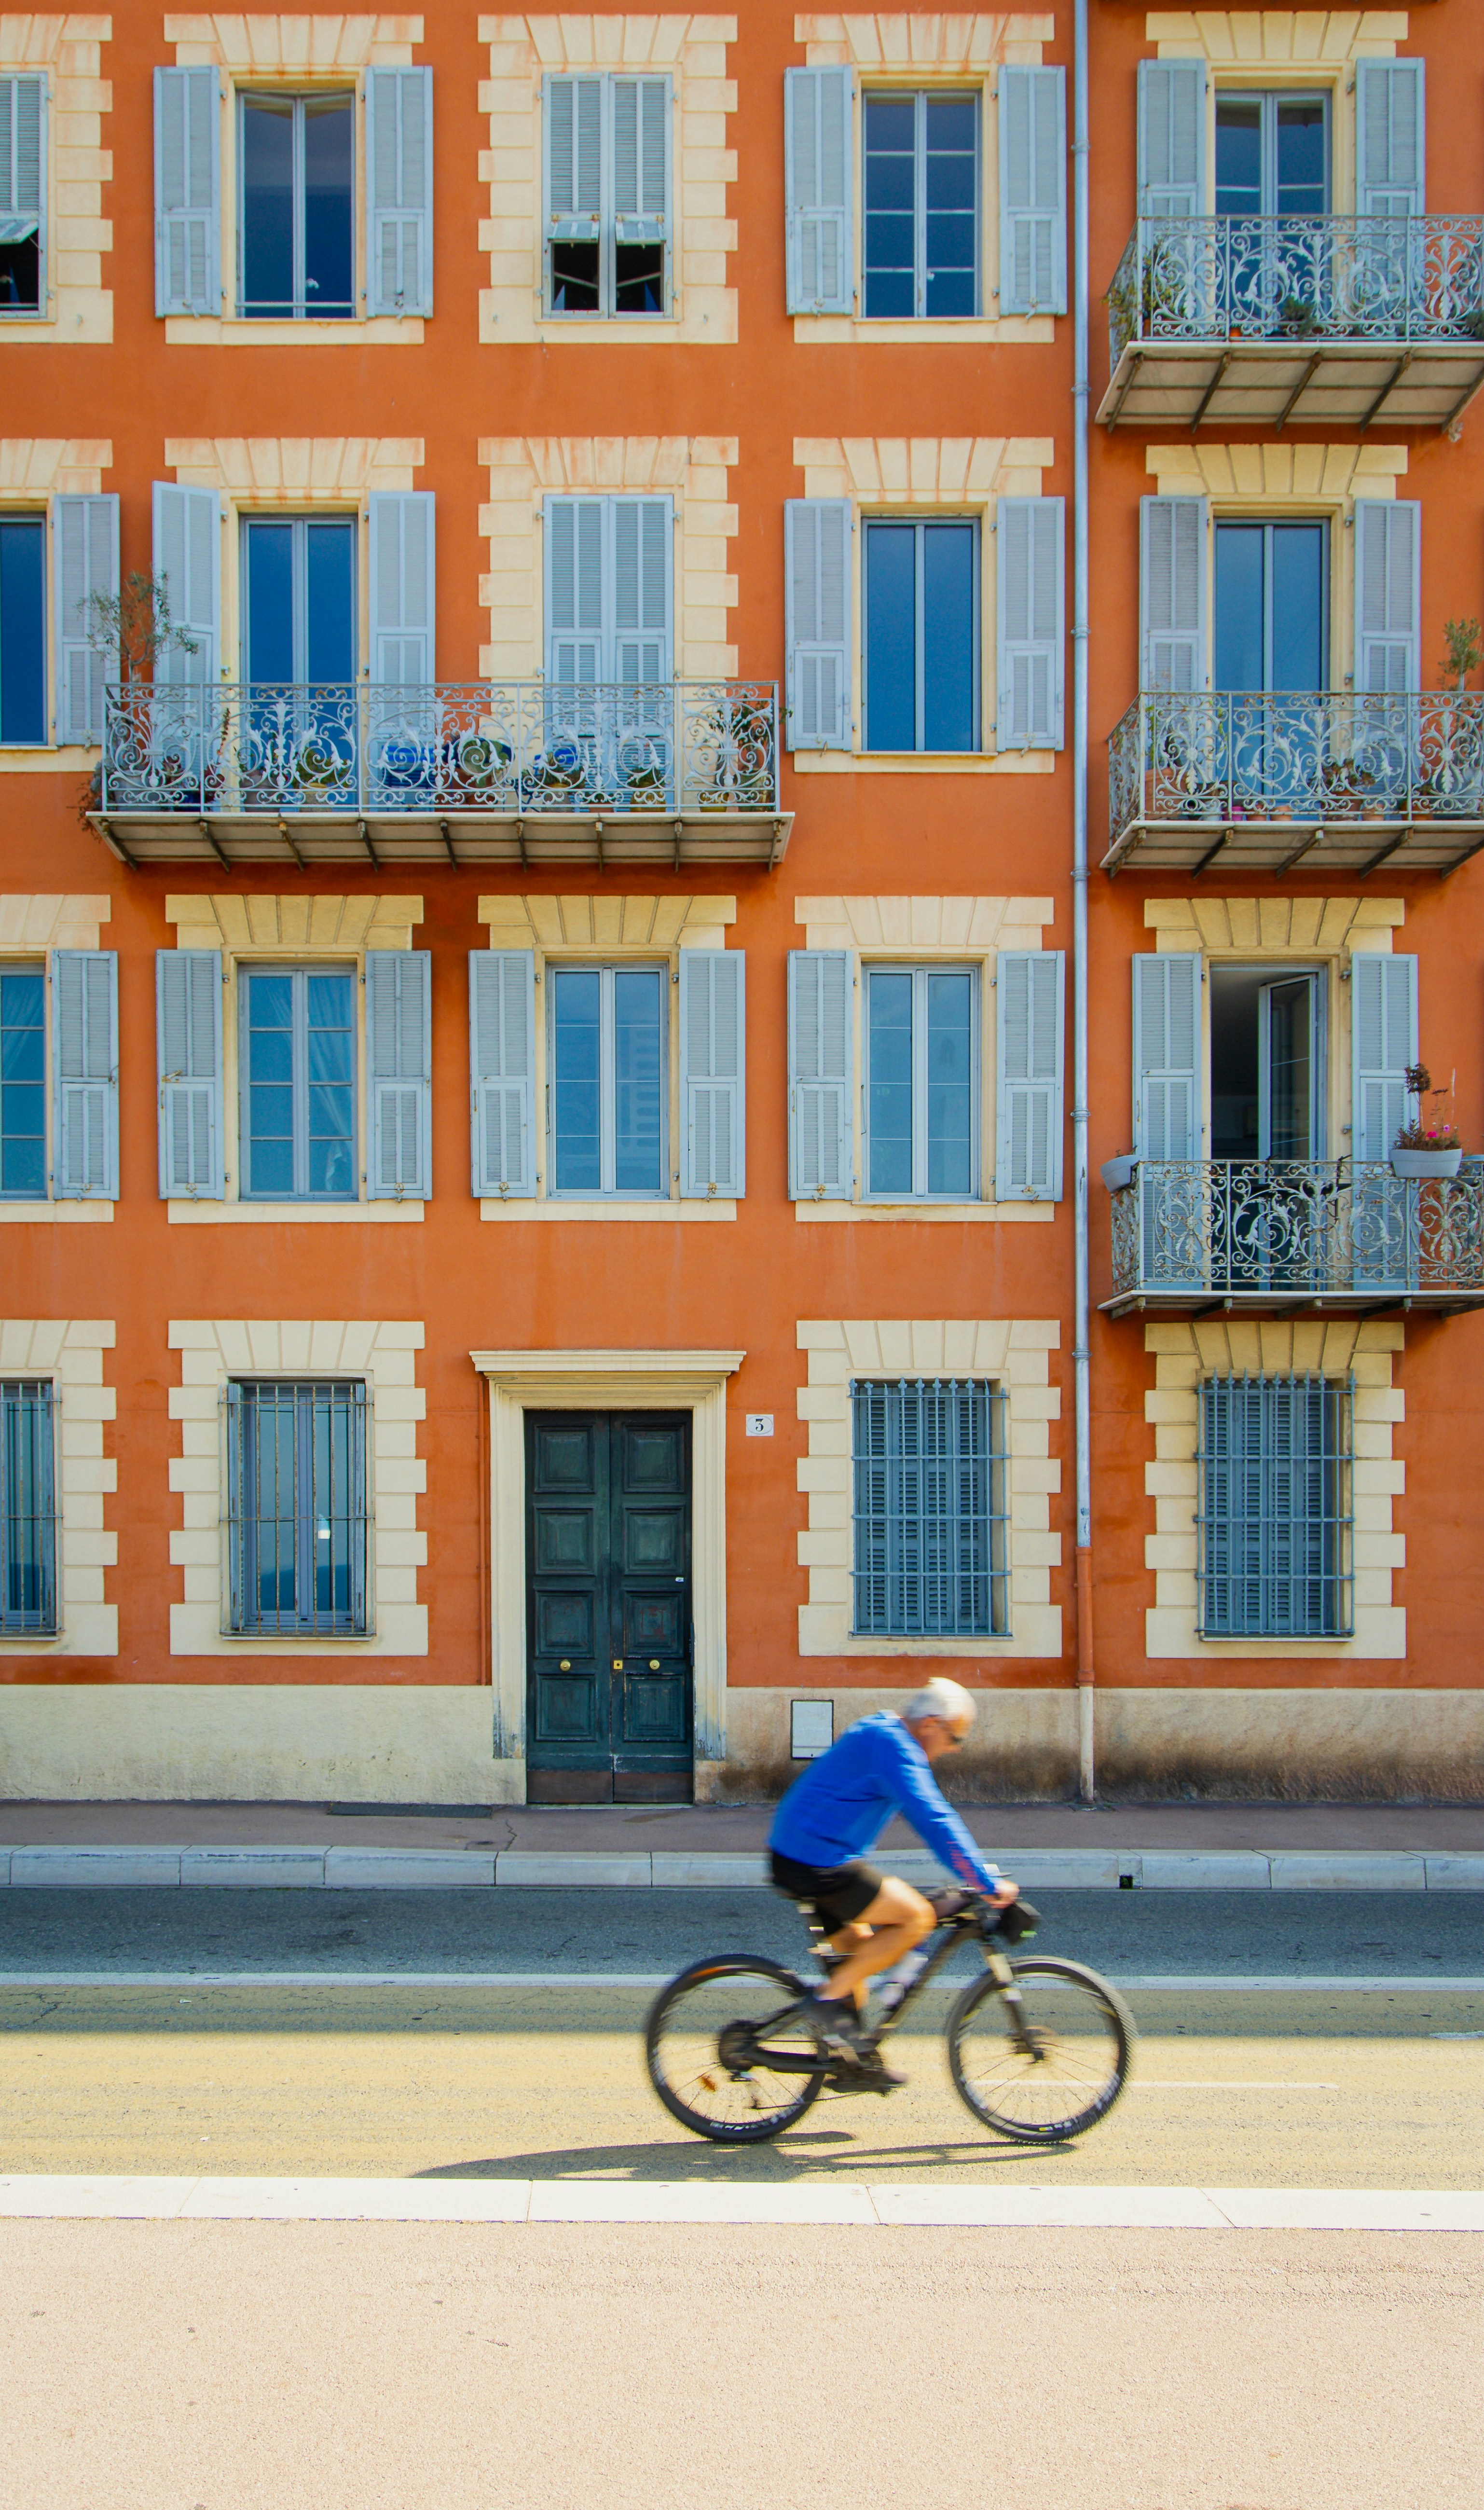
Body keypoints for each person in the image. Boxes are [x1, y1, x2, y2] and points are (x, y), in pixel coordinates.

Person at [769, 1678, 1019, 2069]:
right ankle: (825, 2002)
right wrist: (986, 1881)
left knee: (859, 1952)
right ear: (931, 1725)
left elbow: (931, 1816)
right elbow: (934, 1819)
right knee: (916, 1918)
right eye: (955, 1738)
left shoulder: (884, 1731)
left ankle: (850, 2059)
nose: (952, 1749)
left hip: (805, 1853)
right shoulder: (895, 1748)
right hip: (815, 1861)